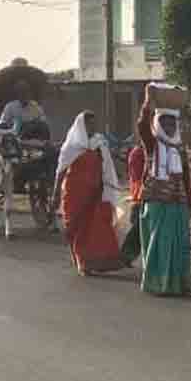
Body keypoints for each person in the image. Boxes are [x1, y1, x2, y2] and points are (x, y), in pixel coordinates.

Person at [136, 86, 191, 296]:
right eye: (164, 121)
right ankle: (159, 284)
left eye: (172, 122)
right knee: (161, 243)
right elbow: (142, 125)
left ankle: (180, 283)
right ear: (157, 122)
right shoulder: (153, 143)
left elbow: (186, 175)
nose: (169, 125)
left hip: (178, 201)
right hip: (157, 200)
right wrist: (148, 102)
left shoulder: (179, 147)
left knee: (181, 243)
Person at [51, 111, 124, 276]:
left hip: (95, 192)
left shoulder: (99, 143)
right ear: (81, 126)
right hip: (74, 193)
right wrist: (55, 193)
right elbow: (61, 171)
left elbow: (107, 166)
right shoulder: (71, 146)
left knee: (94, 227)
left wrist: (108, 185)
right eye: (88, 124)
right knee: (74, 227)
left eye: (93, 124)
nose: (92, 127)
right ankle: (79, 258)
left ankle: (88, 261)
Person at [120, 144, 146, 267]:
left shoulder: (139, 152)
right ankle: (125, 255)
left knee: (138, 230)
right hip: (141, 197)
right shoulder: (139, 153)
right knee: (138, 230)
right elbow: (137, 178)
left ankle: (126, 256)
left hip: (142, 196)